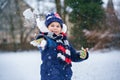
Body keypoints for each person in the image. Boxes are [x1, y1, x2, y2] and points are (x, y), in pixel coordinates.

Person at [30, 12, 89, 80]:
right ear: (47, 27)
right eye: (52, 25)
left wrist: (82, 55)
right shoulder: (46, 39)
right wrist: (41, 41)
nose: (55, 28)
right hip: (50, 75)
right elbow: (47, 44)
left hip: (65, 75)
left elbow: (73, 56)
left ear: (61, 28)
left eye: (58, 26)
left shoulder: (65, 42)